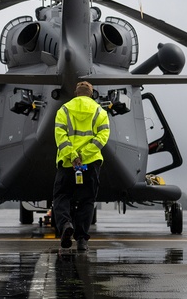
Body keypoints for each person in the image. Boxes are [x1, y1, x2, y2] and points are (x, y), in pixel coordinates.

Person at [53, 81, 109, 252]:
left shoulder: (64, 110)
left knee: (62, 196)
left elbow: (60, 135)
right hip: (90, 163)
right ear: (91, 94)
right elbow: (103, 136)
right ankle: (82, 240)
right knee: (87, 200)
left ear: (76, 93)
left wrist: (73, 155)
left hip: (68, 163)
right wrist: (84, 155)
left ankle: (65, 225)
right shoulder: (100, 111)